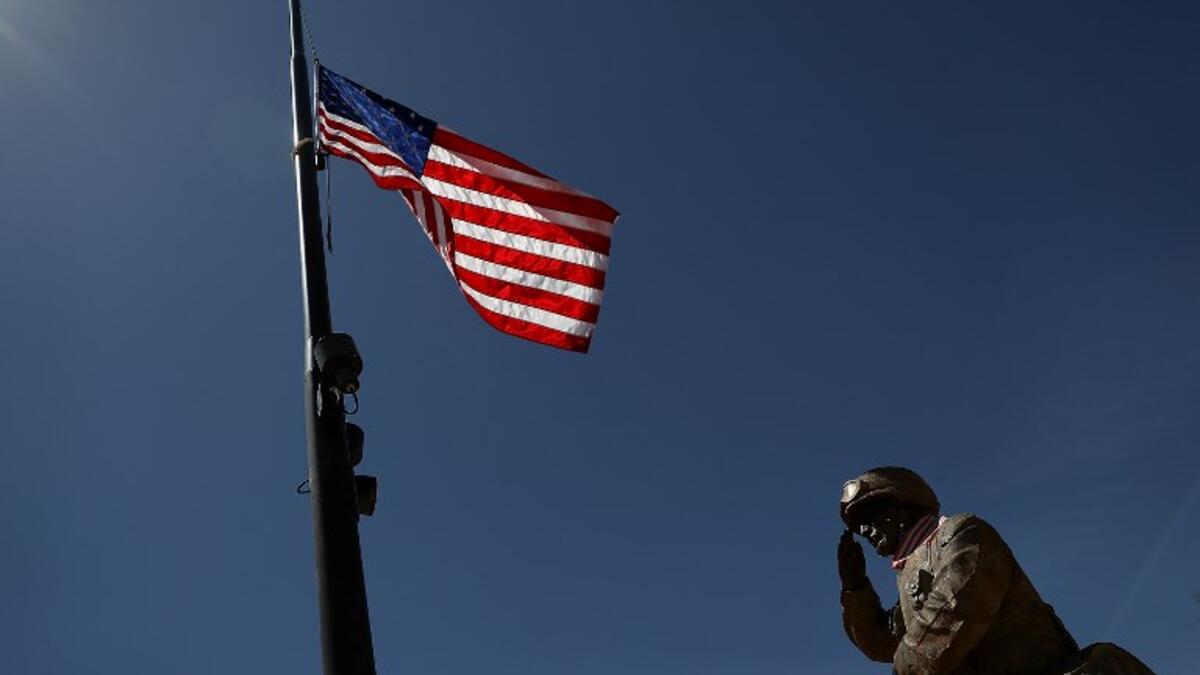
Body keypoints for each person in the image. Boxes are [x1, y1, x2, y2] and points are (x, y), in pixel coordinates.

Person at [837, 466, 1154, 674]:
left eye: (873, 514)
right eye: (859, 525)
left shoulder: (960, 534)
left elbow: (955, 608)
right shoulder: (908, 578)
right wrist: (856, 589)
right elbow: (883, 643)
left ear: (903, 505)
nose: (865, 529)